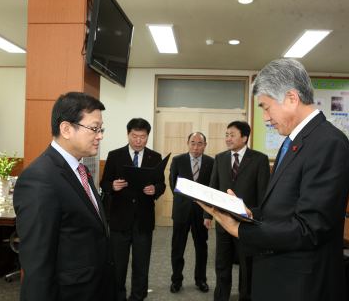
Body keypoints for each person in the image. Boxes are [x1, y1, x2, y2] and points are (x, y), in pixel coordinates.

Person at [199, 59, 349, 301]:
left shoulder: (328, 143)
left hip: (301, 286)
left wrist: (241, 230)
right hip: (280, 276)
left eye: (266, 107)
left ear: (292, 98)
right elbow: (286, 206)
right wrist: (250, 215)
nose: (264, 118)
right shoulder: (294, 140)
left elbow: (310, 228)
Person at [13, 92, 115, 301]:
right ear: (66, 129)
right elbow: (37, 264)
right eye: (94, 129)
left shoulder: (79, 169)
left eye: (101, 129)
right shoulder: (39, 178)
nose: (100, 136)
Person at [203, 121, 270, 301]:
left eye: (232, 135)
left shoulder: (259, 159)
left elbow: (263, 194)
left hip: (246, 223)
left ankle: (245, 297)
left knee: (246, 265)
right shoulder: (220, 158)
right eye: (227, 135)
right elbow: (213, 187)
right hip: (223, 221)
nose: (228, 138)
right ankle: (221, 297)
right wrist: (208, 215)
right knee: (221, 264)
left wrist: (259, 219)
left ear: (244, 137)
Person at [101, 118, 166, 301]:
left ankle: (138, 297)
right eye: (135, 136)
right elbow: (104, 183)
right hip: (120, 220)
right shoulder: (115, 155)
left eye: (143, 137)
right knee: (118, 265)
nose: (138, 141)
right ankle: (118, 296)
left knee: (141, 265)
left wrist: (155, 190)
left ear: (148, 137)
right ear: (128, 134)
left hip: (143, 220)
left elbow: (161, 184)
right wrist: (113, 185)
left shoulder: (155, 157)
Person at [169, 132, 215, 294]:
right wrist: (185, 199)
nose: (196, 147)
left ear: (205, 145)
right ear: (187, 143)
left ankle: (201, 280)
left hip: (202, 212)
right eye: (193, 143)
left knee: (201, 247)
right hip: (182, 210)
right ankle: (176, 280)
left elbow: (212, 187)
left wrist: (207, 212)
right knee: (177, 247)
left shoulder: (211, 162)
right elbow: (173, 183)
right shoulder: (178, 160)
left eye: (199, 144)